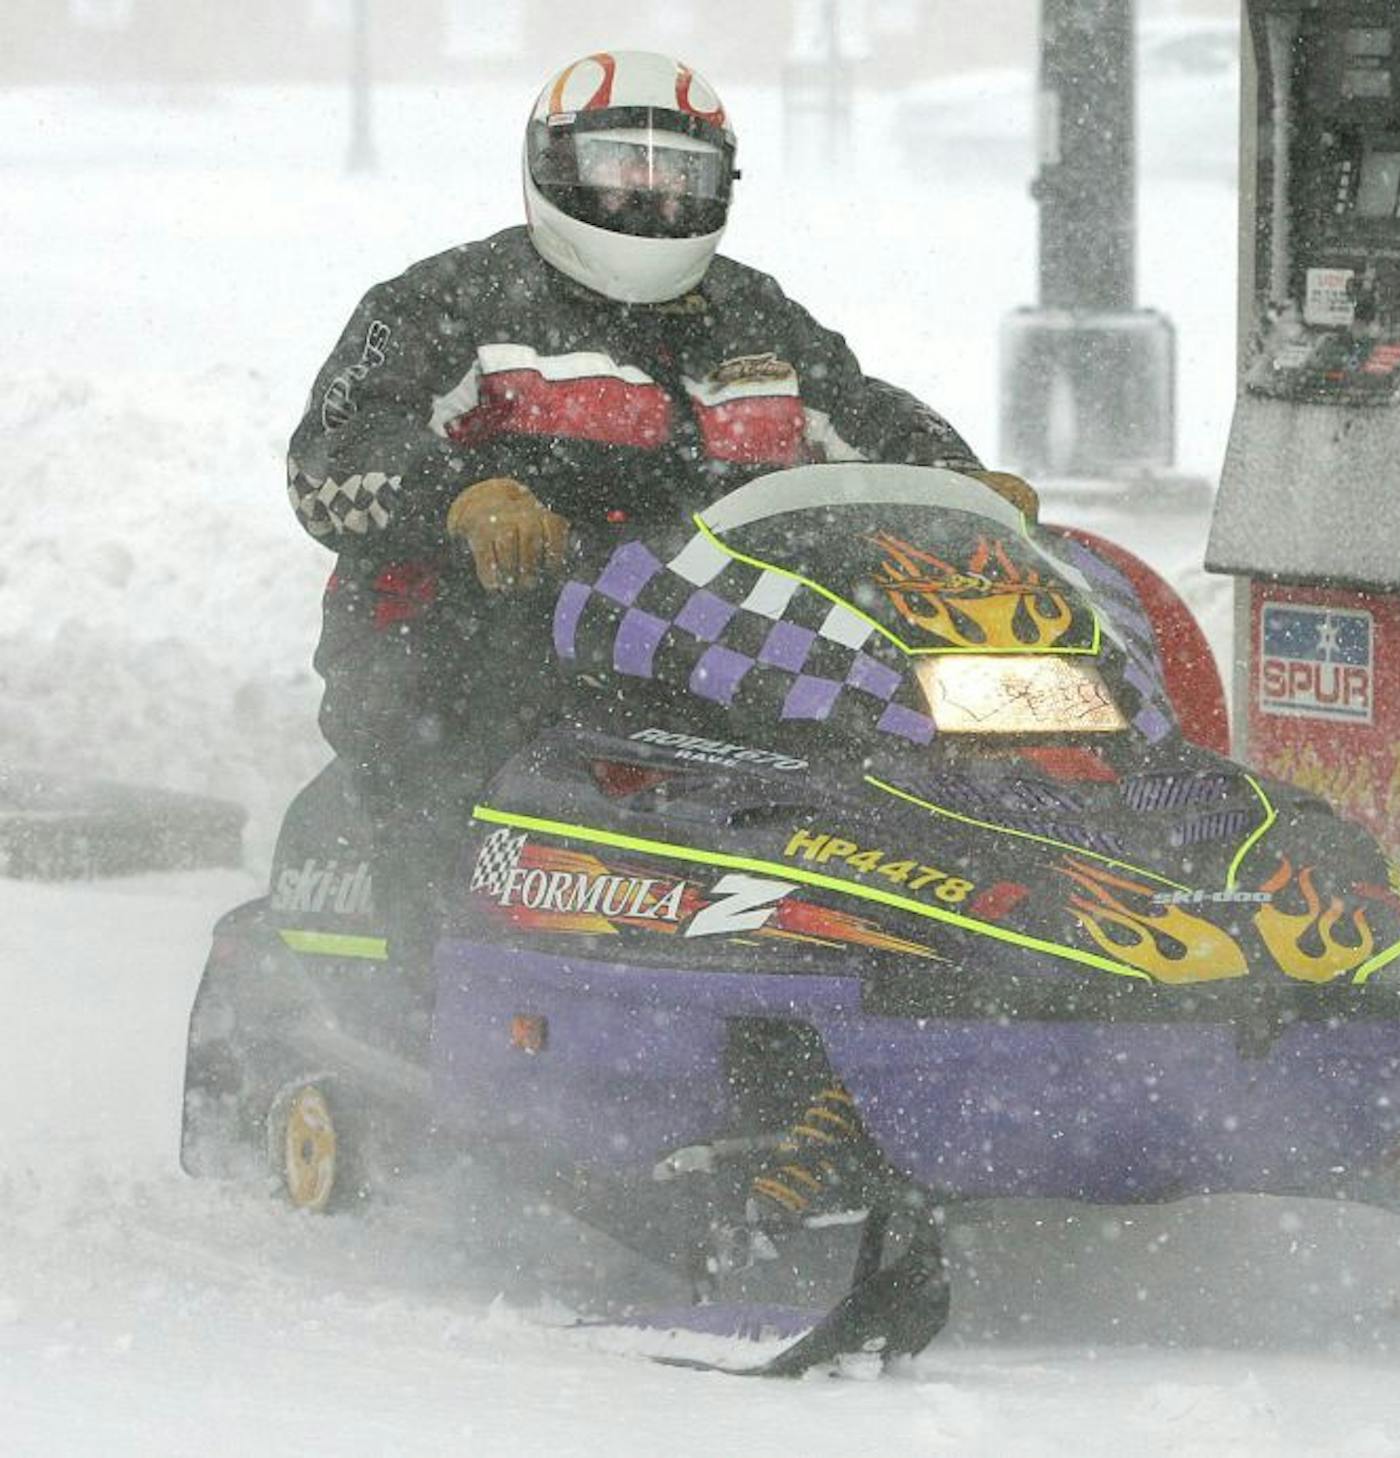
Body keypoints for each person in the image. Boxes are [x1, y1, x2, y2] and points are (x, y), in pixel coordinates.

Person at [285, 50, 1034, 954]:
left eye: (678, 175)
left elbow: (867, 413)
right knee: (458, 776)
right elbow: (334, 453)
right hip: (467, 639)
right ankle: (438, 1023)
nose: (650, 196)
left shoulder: (756, 317)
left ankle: (897, 960)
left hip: (698, 645)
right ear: (555, 167)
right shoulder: (449, 304)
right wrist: (468, 498)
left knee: (890, 749)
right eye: (620, 167)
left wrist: (958, 482)